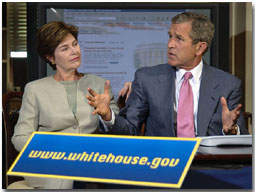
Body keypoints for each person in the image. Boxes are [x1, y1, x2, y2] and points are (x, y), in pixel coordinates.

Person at [87, 12, 249, 137]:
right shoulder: (147, 79)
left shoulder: (228, 84)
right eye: (170, 37)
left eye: (179, 39)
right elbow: (129, 129)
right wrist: (108, 115)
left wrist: (231, 129)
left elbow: (240, 134)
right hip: (163, 164)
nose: (170, 44)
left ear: (200, 48)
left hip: (210, 167)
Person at [11, 21, 119, 189]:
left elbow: (119, 128)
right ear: (51, 57)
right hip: (48, 166)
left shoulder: (99, 85)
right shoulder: (35, 89)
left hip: (89, 164)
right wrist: (52, 150)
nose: (74, 51)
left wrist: (107, 115)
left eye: (75, 44)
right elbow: (19, 138)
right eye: (65, 48)